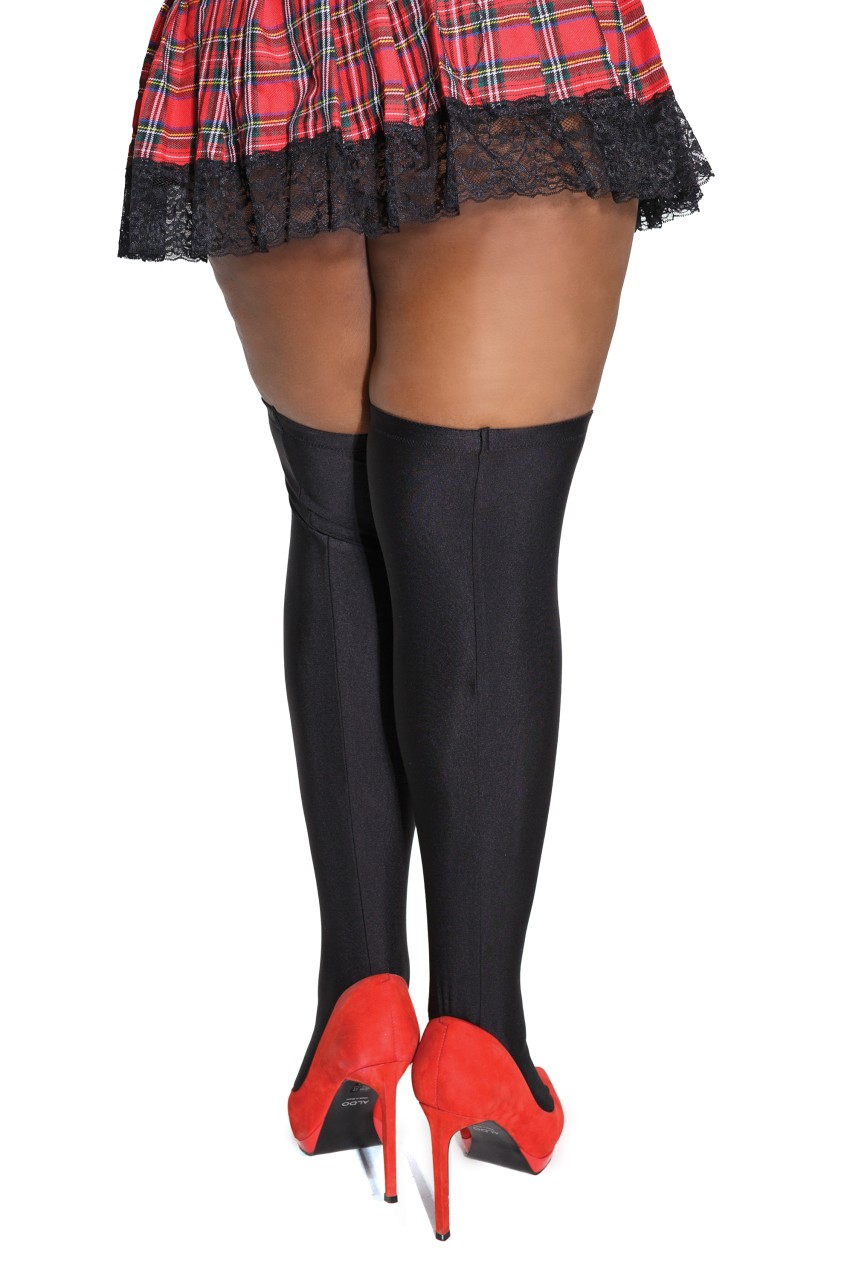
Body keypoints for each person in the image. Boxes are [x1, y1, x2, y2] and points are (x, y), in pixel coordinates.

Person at [118, 0, 712, 1241]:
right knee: (477, 542)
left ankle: (358, 1001)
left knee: (338, 524)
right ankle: (479, 1034)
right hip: (494, 33)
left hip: (265, 44)